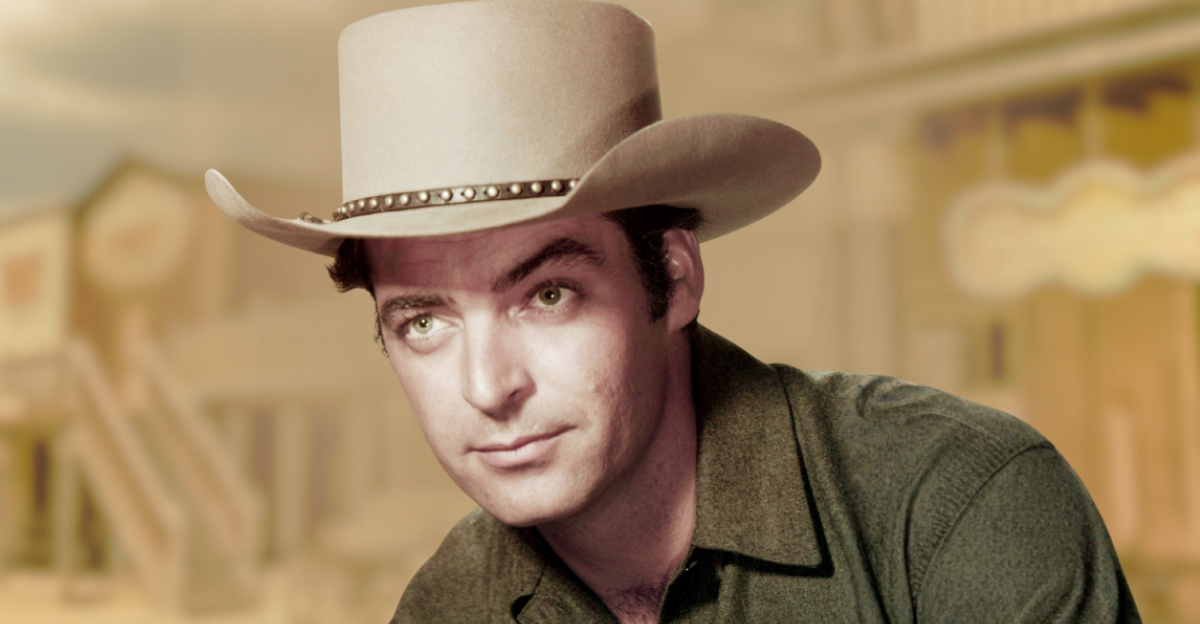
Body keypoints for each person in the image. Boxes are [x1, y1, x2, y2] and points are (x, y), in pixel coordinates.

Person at [206, 1, 1140, 622]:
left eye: (548, 295)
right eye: (424, 322)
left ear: (676, 280)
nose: (488, 389)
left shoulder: (953, 503)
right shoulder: (449, 610)